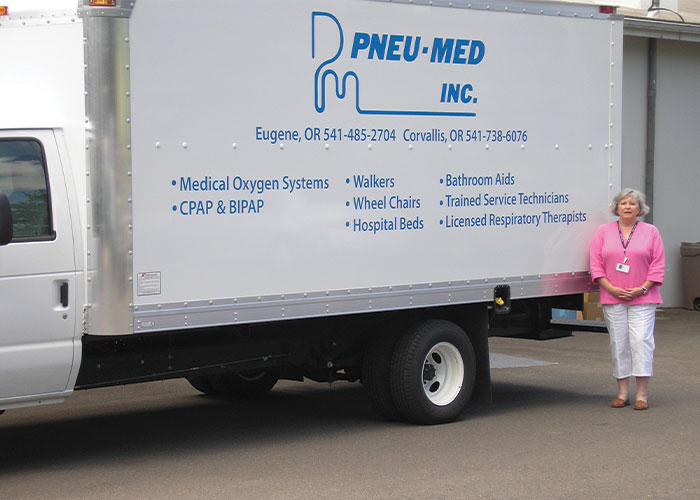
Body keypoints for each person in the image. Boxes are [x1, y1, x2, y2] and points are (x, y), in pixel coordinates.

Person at [589, 188, 665, 410]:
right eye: (624, 203)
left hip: (643, 296)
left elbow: (658, 264)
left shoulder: (651, 232)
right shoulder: (603, 232)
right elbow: (595, 264)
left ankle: (642, 395)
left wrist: (642, 288)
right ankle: (622, 393)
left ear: (640, 209)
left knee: (641, 341)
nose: (628, 207)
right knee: (618, 343)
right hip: (613, 297)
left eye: (633, 203)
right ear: (616, 207)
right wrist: (610, 288)